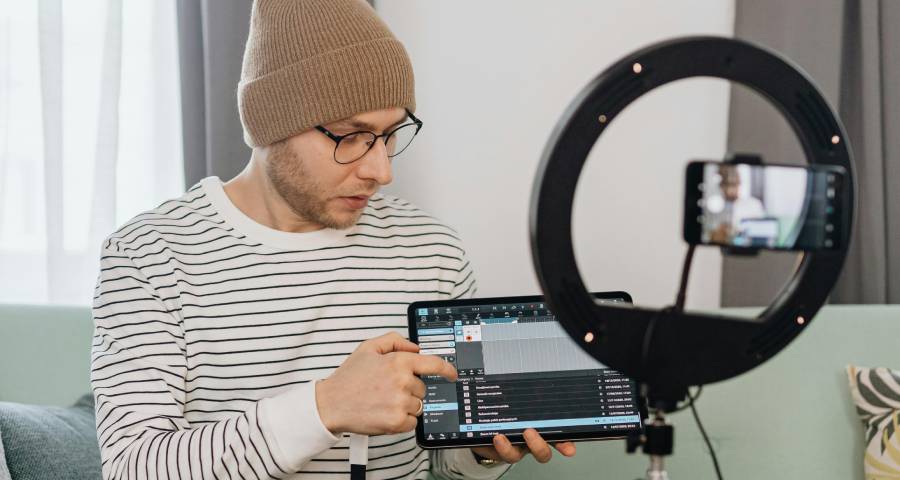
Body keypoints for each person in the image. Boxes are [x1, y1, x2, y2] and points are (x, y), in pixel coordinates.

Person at [90, 1, 576, 479]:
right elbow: (135, 466)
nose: (380, 170)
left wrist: (485, 451)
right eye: (351, 135)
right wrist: (325, 407)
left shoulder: (432, 250)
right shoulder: (148, 257)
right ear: (269, 122)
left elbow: (442, 459)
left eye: (389, 135)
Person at [706, 164, 766, 245]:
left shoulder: (753, 204)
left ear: (739, 182)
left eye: (733, 184)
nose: (729, 190)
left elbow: (761, 236)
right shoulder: (713, 208)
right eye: (725, 184)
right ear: (720, 185)